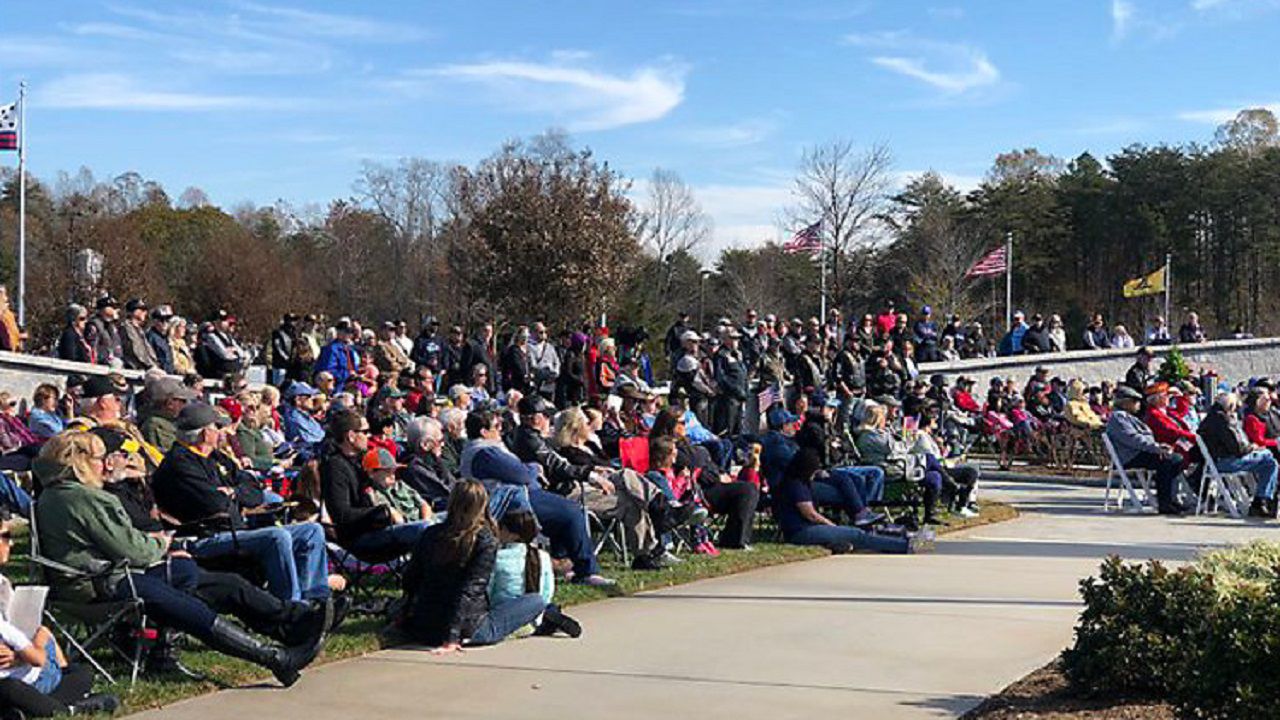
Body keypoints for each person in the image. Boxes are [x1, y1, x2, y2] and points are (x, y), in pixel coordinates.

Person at [34, 432, 326, 688]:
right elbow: (134, 551)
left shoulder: (53, 495)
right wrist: (161, 545)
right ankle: (274, 652)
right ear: (80, 462)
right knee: (186, 588)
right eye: (100, 457)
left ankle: (289, 627)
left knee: (221, 583)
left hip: (88, 582)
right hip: (103, 584)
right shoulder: (85, 498)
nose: (105, 463)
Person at [151, 403, 334, 604]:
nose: (222, 432)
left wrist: (234, 492)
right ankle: (293, 610)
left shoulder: (215, 457)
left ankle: (316, 600)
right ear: (205, 433)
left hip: (235, 530)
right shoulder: (180, 464)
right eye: (217, 427)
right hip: (203, 538)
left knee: (311, 530)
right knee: (277, 535)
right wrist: (235, 494)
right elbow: (216, 504)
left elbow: (255, 488)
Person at [399, 480, 582, 651]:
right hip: (469, 629)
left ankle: (543, 618)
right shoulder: (484, 540)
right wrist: (452, 637)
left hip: (425, 625)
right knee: (536, 601)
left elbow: (412, 578)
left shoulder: (430, 534)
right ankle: (543, 618)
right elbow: (470, 590)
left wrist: (405, 614)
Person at [460, 409, 614, 586]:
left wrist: (528, 469)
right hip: (509, 502)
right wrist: (534, 467)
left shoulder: (486, 449)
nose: (501, 430)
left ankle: (561, 563)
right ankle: (587, 571)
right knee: (573, 512)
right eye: (496, 426)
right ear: (483, 432)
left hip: (522, 495)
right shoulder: (486, 453)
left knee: (564, 511)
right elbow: (522, 474)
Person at [0, 510, 120, 717]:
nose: (10, 544)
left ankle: (22, 709)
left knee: (80, 673)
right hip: (12, 679)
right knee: (9, 688)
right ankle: (71, 708)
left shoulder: (3, 582)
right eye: (5, 536)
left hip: (23, 667)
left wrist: (21, 653)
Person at [320, 411, 432, 557]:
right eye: (365, 432)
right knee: (425, 529)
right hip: (360, 537)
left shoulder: (363, 460)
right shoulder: (335, 467)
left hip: (385, 526)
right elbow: (341, 514)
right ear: (351, 436)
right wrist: (384, 512)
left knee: (447, 519)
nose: (369, 436)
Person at [774, 448, 929, 554]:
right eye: (813, 471)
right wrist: (832, 526)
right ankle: (905, 546)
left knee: (860, 532)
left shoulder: (800, 482)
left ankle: (907, 537)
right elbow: (810, 514)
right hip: (801, 531)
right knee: (857, 534)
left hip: (808, 528)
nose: (814, 475)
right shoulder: (795, 485)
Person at [1105, 386, 1188, 515]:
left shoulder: (1127, 416)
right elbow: (1133, 439)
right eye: (1136, 401)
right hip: (1131, 456)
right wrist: (1156, 448)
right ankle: (1165, 502)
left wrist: (1157, 447)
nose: (1139, 405)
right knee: (1171, 460)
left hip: (1140, 452)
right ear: (1126, 402)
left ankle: (1170, 500)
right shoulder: (1119, 418)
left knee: (1175, 459)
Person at [1199, 392, 1279, 517]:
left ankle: (1260, 501)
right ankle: (1261, 501)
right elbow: (1237, 448)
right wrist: (1252, 448)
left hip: (1216, 461)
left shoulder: (1211, 418)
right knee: (1269, 459)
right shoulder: (1223, 420)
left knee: (1269, 461)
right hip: (1226, 462)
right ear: (1230, 405)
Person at [401, 416, 457, 510]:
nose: (442, 445)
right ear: (425, 444)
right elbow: (447, 490)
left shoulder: (429, 461)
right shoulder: (415, 467)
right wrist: (438, 459)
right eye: (440, 441)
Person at [711, 328, 748, 437]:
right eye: (732, 338)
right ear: (725, 339)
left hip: (740, 398)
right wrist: (735, 389)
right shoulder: (721, 355)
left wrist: (745, 390)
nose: (735, 341)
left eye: (737, 338)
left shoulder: (738, 354)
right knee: (727, 430)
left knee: (738, 430)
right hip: (728, 398)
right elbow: (720, 377)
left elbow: (743, 374)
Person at [120, 299, 159, 371]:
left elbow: (148, 350)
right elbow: (135, 350)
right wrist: (149, 365)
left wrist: (154, 364)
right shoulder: (126, 328)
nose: (145, 312)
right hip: (134, 369)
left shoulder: (140, 330)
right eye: (142, 309)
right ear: (133, 311)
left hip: (145, 369)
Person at [85, 296, 123, 368]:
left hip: (114, 362)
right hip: (101, 364)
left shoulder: (112, 326)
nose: (116, 310)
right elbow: (93, 347)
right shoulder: (94, 325)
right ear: (103, 309)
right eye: (112, 307)